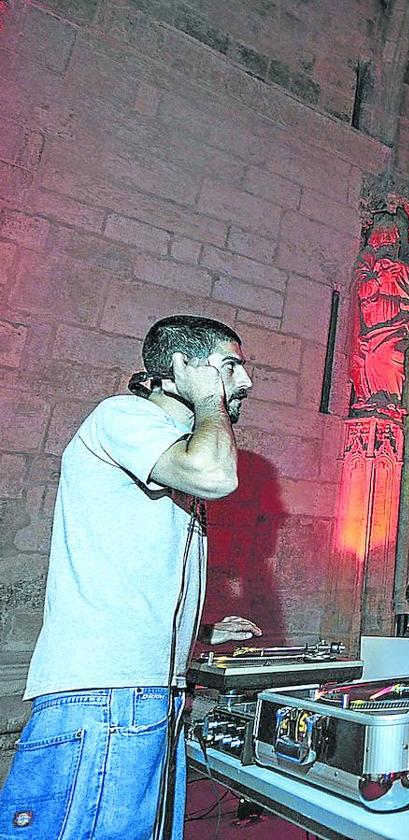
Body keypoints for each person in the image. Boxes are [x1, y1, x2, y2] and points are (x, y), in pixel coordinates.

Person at [0, 315, 262, 839]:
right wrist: (209, 400)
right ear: (183, 367)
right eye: (230, 366)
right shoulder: (121, 416)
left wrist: (203, 634)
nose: (246, 382)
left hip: (146, 691)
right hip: (106, 694)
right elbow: (215, 475)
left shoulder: (169, 447)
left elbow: (136, 572)